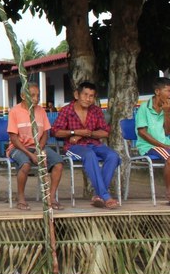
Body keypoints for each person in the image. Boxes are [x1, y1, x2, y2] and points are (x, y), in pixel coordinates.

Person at [52, 81, 121, 209]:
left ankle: (98, 195)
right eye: (85, 95)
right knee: (89, 155)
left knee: (113, 156)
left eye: (91, 96)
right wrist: (74, 132)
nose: (88, 99)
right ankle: (105, 196)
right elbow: (56, 132)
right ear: (77, 95)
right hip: (73, 147)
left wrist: (86, 134)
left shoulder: (96, 110)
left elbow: (105, 132)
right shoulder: (66, 110)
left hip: (94, 144)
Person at [6, 83, 65, 211]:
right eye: (32, 95)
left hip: (38, 147)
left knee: (58, 163)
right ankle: (21, 198)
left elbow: (45, 133)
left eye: (38, 95)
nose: (36, 98)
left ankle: (51, 197)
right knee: (26, 164)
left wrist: (39, 149)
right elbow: (14, 139)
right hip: (18, 148)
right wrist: (31, 154)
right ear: (23, 96)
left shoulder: (41, 110)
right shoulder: (14, 112)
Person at [134, 77, 170, 203]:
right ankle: (169, 193)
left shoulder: (167, 108)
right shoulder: (144, 108)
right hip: (147, 146)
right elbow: (142, 132)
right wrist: (163, 145)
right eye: (168, 91)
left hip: (164, 144)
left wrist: (166, 113)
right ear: (157, 91)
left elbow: (167, 132)